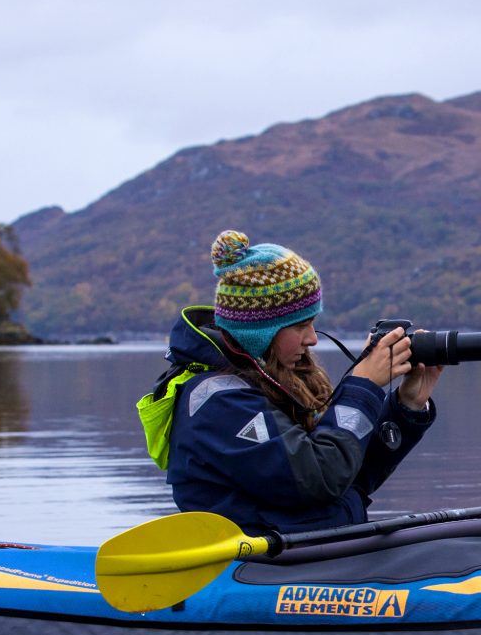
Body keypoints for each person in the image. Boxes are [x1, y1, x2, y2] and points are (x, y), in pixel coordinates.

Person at [153, 229, 440, 534]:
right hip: (261, 569)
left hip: (314, 558)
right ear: (260, 330)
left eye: (313, 324)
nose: (313, 339)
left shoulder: (279, 383)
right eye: (302, 326)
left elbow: (348, 474)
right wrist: (363, 385)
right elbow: (320, 479)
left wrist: (407, 407)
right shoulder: (218, 402)